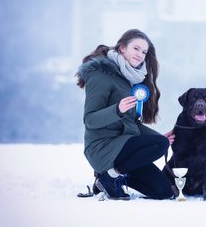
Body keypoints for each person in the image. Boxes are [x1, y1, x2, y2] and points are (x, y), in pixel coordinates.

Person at [75, 29, 176, 200]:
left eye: (144, 52)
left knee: (165, 192)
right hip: (103, 147)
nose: (141, 55)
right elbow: (90, 119)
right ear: (122, 48)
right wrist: (117, 110)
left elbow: (131, 123)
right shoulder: (101, 75)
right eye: (136, 48)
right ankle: (109, 176)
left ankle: (107, 178)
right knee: (158, 144)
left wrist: (159, 138)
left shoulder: (130, 78)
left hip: (123, 149)